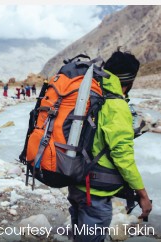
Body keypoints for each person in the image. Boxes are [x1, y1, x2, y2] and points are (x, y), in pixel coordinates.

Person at [67, 49, 152, 242]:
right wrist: (143, 194)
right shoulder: (116, 105)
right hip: (94, 192)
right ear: (129, 82)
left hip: (75, 179)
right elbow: (123, 156)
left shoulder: (90, 93)